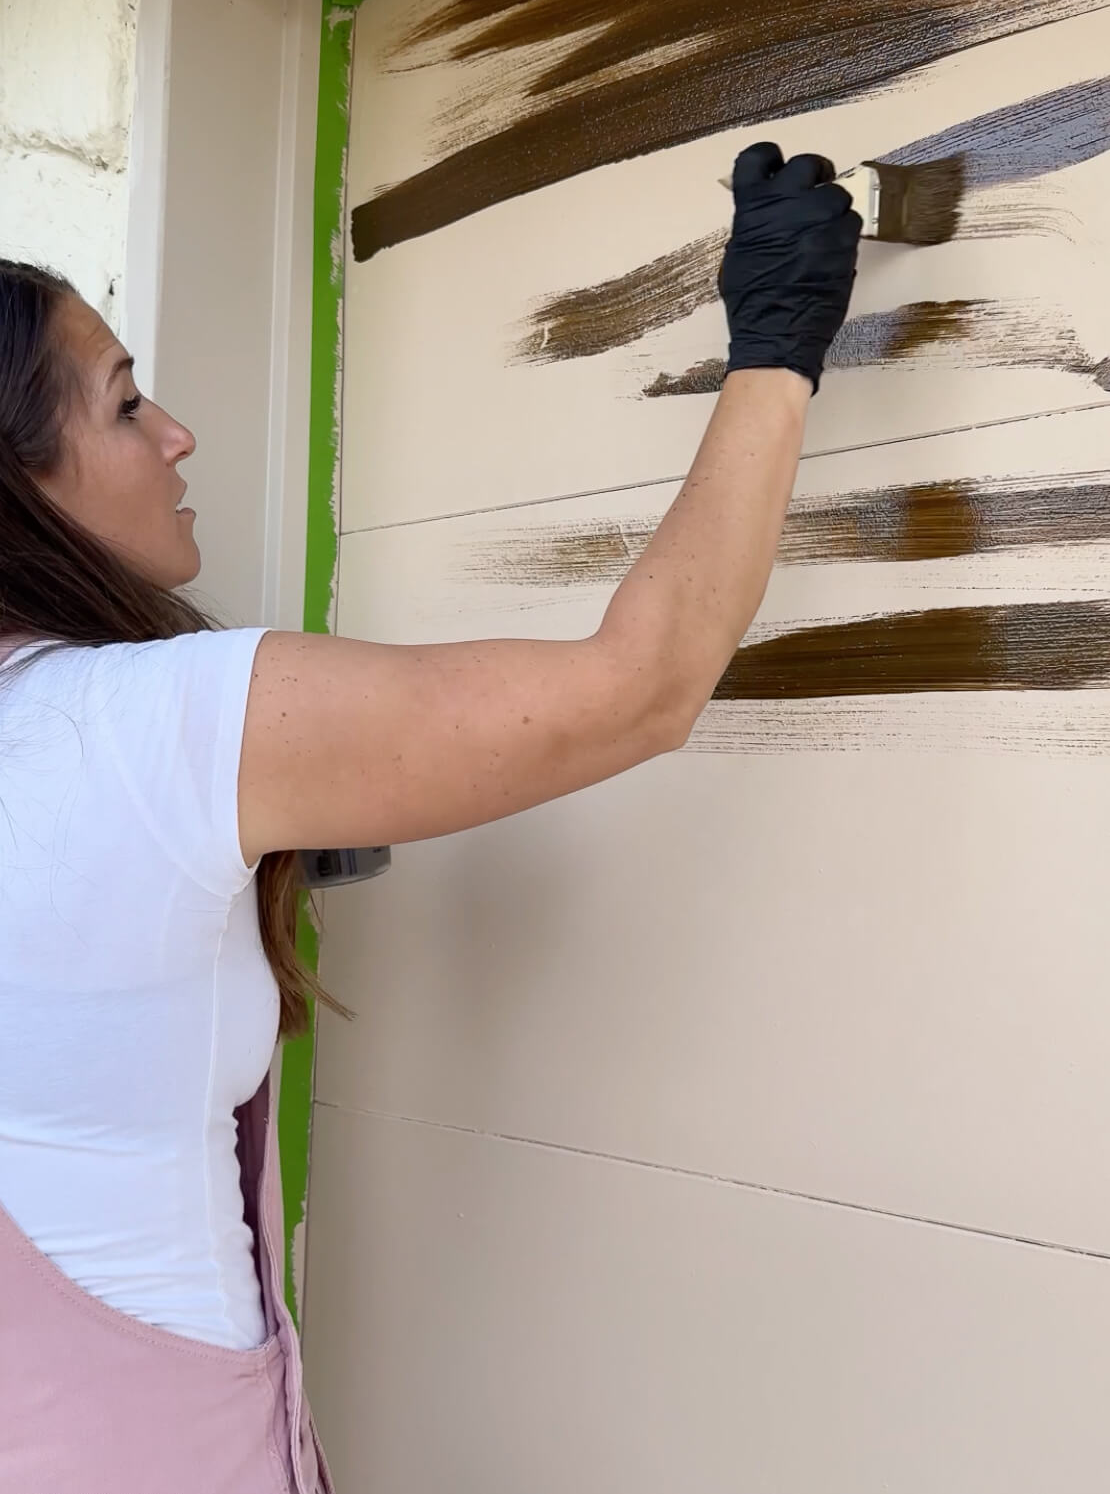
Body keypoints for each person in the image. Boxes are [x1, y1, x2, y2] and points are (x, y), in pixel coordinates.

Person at [0, 142, 860, 1491]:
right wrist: (777, 350)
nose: (175, 434)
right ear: (18, 485)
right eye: (123, 405)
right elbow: (635, 692)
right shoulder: (138, 725)